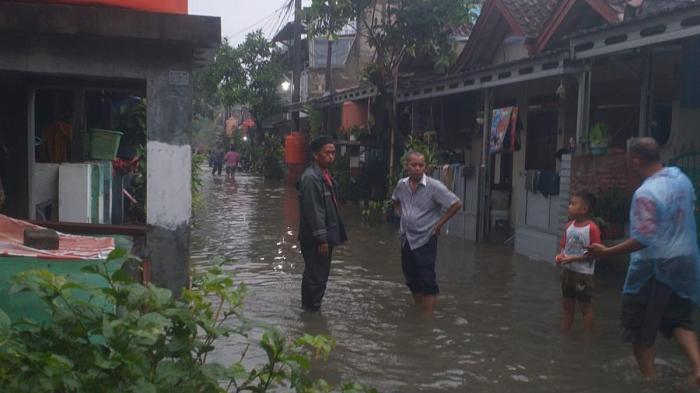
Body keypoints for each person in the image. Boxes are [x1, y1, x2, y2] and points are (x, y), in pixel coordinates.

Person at [588, 137, 700, 385]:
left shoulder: (645, 193)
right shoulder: (680, 178)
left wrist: (607, 251)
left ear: (636, 160)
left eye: (628, 161)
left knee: (639, 329)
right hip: (685, 260)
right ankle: (698, 367)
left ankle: (649, 383)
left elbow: (644, 239)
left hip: (655, 266)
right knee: (679, 317)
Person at [391, 151, 462, 313]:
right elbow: (395, 201)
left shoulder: (434, 186)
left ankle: (427, 319)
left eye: (420, 165)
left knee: (427, 279)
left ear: (426, 167)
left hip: (425, 238)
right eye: (413, 165)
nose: (417, 168)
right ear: (406, 166)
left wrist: (439, 225)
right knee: (411, 278)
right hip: (406, 239)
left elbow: (456, 204)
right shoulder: (401, 184)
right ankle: (418, 311)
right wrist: (402, 216)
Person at [297, 136, 347, 311]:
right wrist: (322, 239)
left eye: (333, 153)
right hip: (315, 237)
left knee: (317, 273)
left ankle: (310, 309)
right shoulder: (311, 178)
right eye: (327, 153)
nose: (331, 157)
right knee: (316, 276)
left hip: (323, 234)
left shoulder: (324, 175)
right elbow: (314, 211)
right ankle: (311, 313)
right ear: (316, 155)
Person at [555, 192, 601, 333]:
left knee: (585, 308)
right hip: (568, 272)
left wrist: (574, 259)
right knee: (567, 306)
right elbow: (564, 247)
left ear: (584, 209)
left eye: (573, 204)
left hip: (583, 274)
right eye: (569, 203)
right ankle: (565, 334)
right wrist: (560, 256)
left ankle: (587, 339)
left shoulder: (592, 228)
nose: (569, 206)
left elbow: (597, 254)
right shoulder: (569, 226)